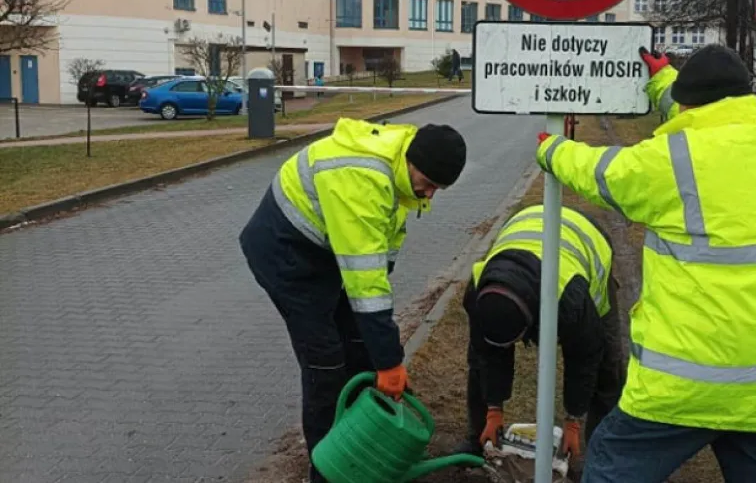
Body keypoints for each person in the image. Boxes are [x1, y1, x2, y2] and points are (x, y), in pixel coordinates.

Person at [534, 44, 756, 483]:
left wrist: (553, 150)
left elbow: (604, 172)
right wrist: (665, 79)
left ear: (690, 102)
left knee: (610, 460)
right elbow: (711, 121)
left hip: (687, 381)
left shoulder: (668, 161)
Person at [239, 117, 467, 483]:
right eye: (428, 185)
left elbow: (379, 260)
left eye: (438, 189)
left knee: (359, 350)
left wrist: (378, 354)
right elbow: (367, 285)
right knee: (326, 363)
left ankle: (364, 447)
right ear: (413, 163)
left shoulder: (401, 170)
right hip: (285, 254)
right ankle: (328, 471)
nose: (429, 196)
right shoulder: (363, 180)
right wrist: (391, 362)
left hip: (327, 251)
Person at [454, 204, 626, 463]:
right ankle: (478, 438)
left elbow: (583, 359)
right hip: (526, 226)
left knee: (607, 365)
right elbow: (487, 355)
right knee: (479, 360)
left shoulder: (570, 299)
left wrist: (573, 420)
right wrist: (493, 409)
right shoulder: (479, 291)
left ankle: (602, 458)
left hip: (586, 239)